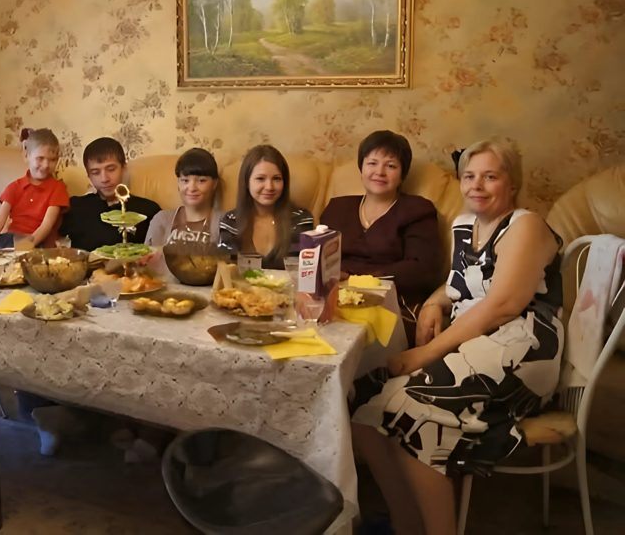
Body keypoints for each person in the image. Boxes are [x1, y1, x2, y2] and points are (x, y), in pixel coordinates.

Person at [350, 139, 563, 535]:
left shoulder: (526, 225)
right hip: (472, 344)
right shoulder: (465, 225)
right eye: (469, 176)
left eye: (490, 177)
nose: (476, 185)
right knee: (362, 401)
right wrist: (435, 302)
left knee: (415, 413)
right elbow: (458, 286)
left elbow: (503, 305)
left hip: (521, 347)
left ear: (512, 184)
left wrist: (426, 353)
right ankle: (406, 524)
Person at [320, 130, 442, 307]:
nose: (380, 172)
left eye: (391, 166)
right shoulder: (337, 208)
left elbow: (421, 269)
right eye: (372, 163)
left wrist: (358, 278)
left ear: (402, 175)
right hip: (334, 298)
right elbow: (319, 260)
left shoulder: (417, 210)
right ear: (361, 168)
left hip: (389, 301)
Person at [218, 145, 314, 269]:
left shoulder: (302, 220)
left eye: (276, 179)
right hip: (242, 282)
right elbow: (226, 270)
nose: (269, 187)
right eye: (260, 179)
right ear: (247, 182)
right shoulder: (230, 222)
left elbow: (308, 270)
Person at [59, 137, 160, 251]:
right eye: (95, 172)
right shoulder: (75, 207)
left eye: (111, 169)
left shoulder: (148, 210)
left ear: (123, 168)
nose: (104, 179)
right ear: (89, 176)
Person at [0, 128, 69, 249]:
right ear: (26, 156)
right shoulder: (15, 187)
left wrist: (24, 248)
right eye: (40, 158)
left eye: (52, 160)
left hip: (37, 242)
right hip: (11, 240)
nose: (46, 165)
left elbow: (46, 226)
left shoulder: (58, 188)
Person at [144, 147, 223, 248]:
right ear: (178, 183)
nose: (192, 188)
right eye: (185, 180)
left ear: (214, 183)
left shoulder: (225, 223)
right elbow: (147, 256)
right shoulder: (162, 220)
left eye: (201, 181)